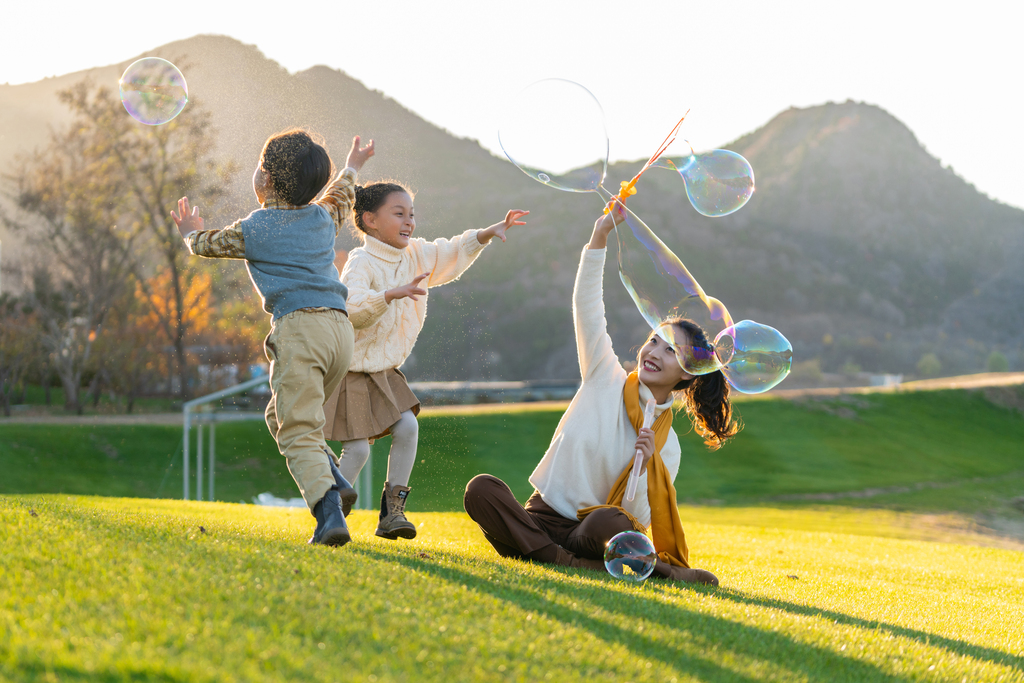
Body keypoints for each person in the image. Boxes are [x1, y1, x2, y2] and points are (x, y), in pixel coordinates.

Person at [464, 204, 738, 583]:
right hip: (541, 517)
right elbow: (587, 309)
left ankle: (552, 558)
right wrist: (600, 236)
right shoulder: (603, 375)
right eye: (654, 341)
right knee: (481, 490)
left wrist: (643, 464)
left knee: (607, 521)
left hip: (591, 535)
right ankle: (578, 565)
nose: (654, 353)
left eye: (670, 351)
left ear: (688, 375)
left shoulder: (667, 445)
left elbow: (631, 523)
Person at [171, 129, 375, 547]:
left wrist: (190, 232)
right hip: (339, 332)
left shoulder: (255, 228)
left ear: (265, 179)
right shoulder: (323, 217)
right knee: (281, 416)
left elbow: (207, 245)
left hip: (300, 330)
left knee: (297, 428)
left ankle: (329, 511)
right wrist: (353, 163)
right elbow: (344, 192)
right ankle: (334, 475)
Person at [322, 181, 528, 540]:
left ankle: (392, 512)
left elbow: (447, 251)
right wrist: (388, 294)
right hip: (351, 369)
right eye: (398, 214)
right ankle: (332, 513)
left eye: (411, 214)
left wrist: (483, 235)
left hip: (384, 370)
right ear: (369, 220)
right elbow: (350, 307)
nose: (409, 222)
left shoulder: (416, 253)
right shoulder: (361, 261)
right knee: (355, 450)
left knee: (408, 427)